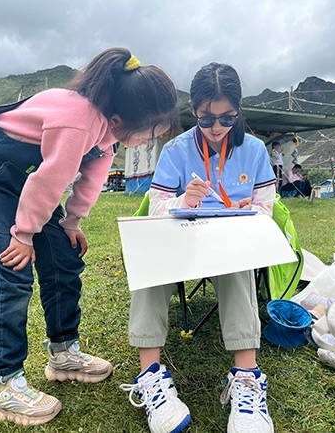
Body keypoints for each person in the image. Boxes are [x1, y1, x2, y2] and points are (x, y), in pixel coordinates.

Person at [0, 47, 179, 426]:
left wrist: (72, 223)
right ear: (120, 119)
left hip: (25, 177)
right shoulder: (79, 120)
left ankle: (63, 354)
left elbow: (91, 179)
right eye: (151, 132)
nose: (149, 140)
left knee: (64, 255)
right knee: (11, 270)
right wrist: (23, 234)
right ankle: (5, 386)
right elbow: (49, 179)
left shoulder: (108, 133)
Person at [120, 62, 277, 433]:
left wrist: (250, 209)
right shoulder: (176, 149)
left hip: (230, 241)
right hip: (181, 239)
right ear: (194, 110)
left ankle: (246, 376)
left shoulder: (254, 150)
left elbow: (266, 208)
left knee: (238, 258)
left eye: (227, 118)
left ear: (238, 111)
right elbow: (157, 207)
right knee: (150, 255)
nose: (216, 128)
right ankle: (150, 376)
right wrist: (182, 201)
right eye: (206, 119)